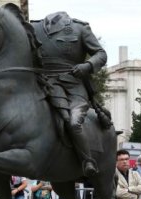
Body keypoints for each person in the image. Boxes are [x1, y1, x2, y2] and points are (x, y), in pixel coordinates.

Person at [31, 12, 109, 178]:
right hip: (43, 84)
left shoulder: (79, 28)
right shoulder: (34, 27)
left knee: (74, 122)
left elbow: (101, 54)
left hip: (73, 86)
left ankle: (87, 160)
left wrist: (87, 65)